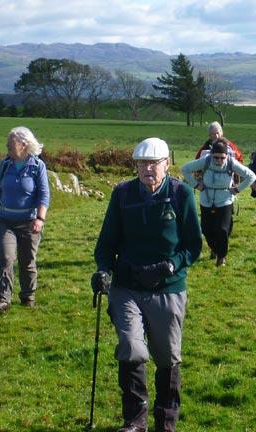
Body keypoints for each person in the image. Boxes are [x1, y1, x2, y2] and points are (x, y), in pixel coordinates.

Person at [92, 137, 202, 432]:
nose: (148, 169)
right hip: (127, 285)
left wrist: (169, 266)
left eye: (154, 163)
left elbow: (193, 246)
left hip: (168, 287)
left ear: (167, 164)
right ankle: (135, 421)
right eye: (142, 163)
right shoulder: (122, 194)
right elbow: (106, 243)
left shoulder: (182, 195)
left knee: (167, 357)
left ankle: (165, 421)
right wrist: (103, 270)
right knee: (131, 348)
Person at [0, 126, 50, 315]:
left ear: (24, 145)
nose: (7, 148)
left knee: (27, 261)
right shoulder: (5, 165)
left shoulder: (37, 166)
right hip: (5, 221)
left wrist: (40, 219)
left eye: (11, 144)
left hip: (29, 222)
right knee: (5, 258)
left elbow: (44, 195)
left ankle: (28, 297)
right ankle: (3, 300)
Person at [181, 138, 256, 267]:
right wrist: (195, 185)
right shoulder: (206, 161)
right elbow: (184, 169)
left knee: (222, 229)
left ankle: (221, 257)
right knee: (206, 229)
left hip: (225, 199)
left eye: (222, 158)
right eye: (216, 158)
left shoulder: (231, 163)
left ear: (226, 155)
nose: (219, 161)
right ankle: (214, 249)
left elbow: (251, 176)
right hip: (206, 198)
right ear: (211, 155)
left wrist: (237, 189)